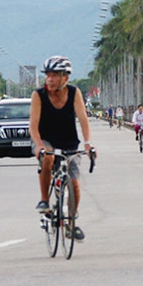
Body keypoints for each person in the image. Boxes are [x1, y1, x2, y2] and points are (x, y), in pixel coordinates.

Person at [30, 55, 93, 242]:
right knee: (48, 158)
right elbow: (33, 126)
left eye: (54, 75)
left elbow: (83, 119)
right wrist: (39, 146)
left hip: (69, 143)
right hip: (45, 140)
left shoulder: (74, 93)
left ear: (65, 78)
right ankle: (44, 201)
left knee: (74, 183)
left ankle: (72, 222)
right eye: (47, 75)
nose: (49, 79)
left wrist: (88, 143)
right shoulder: (38, 95)